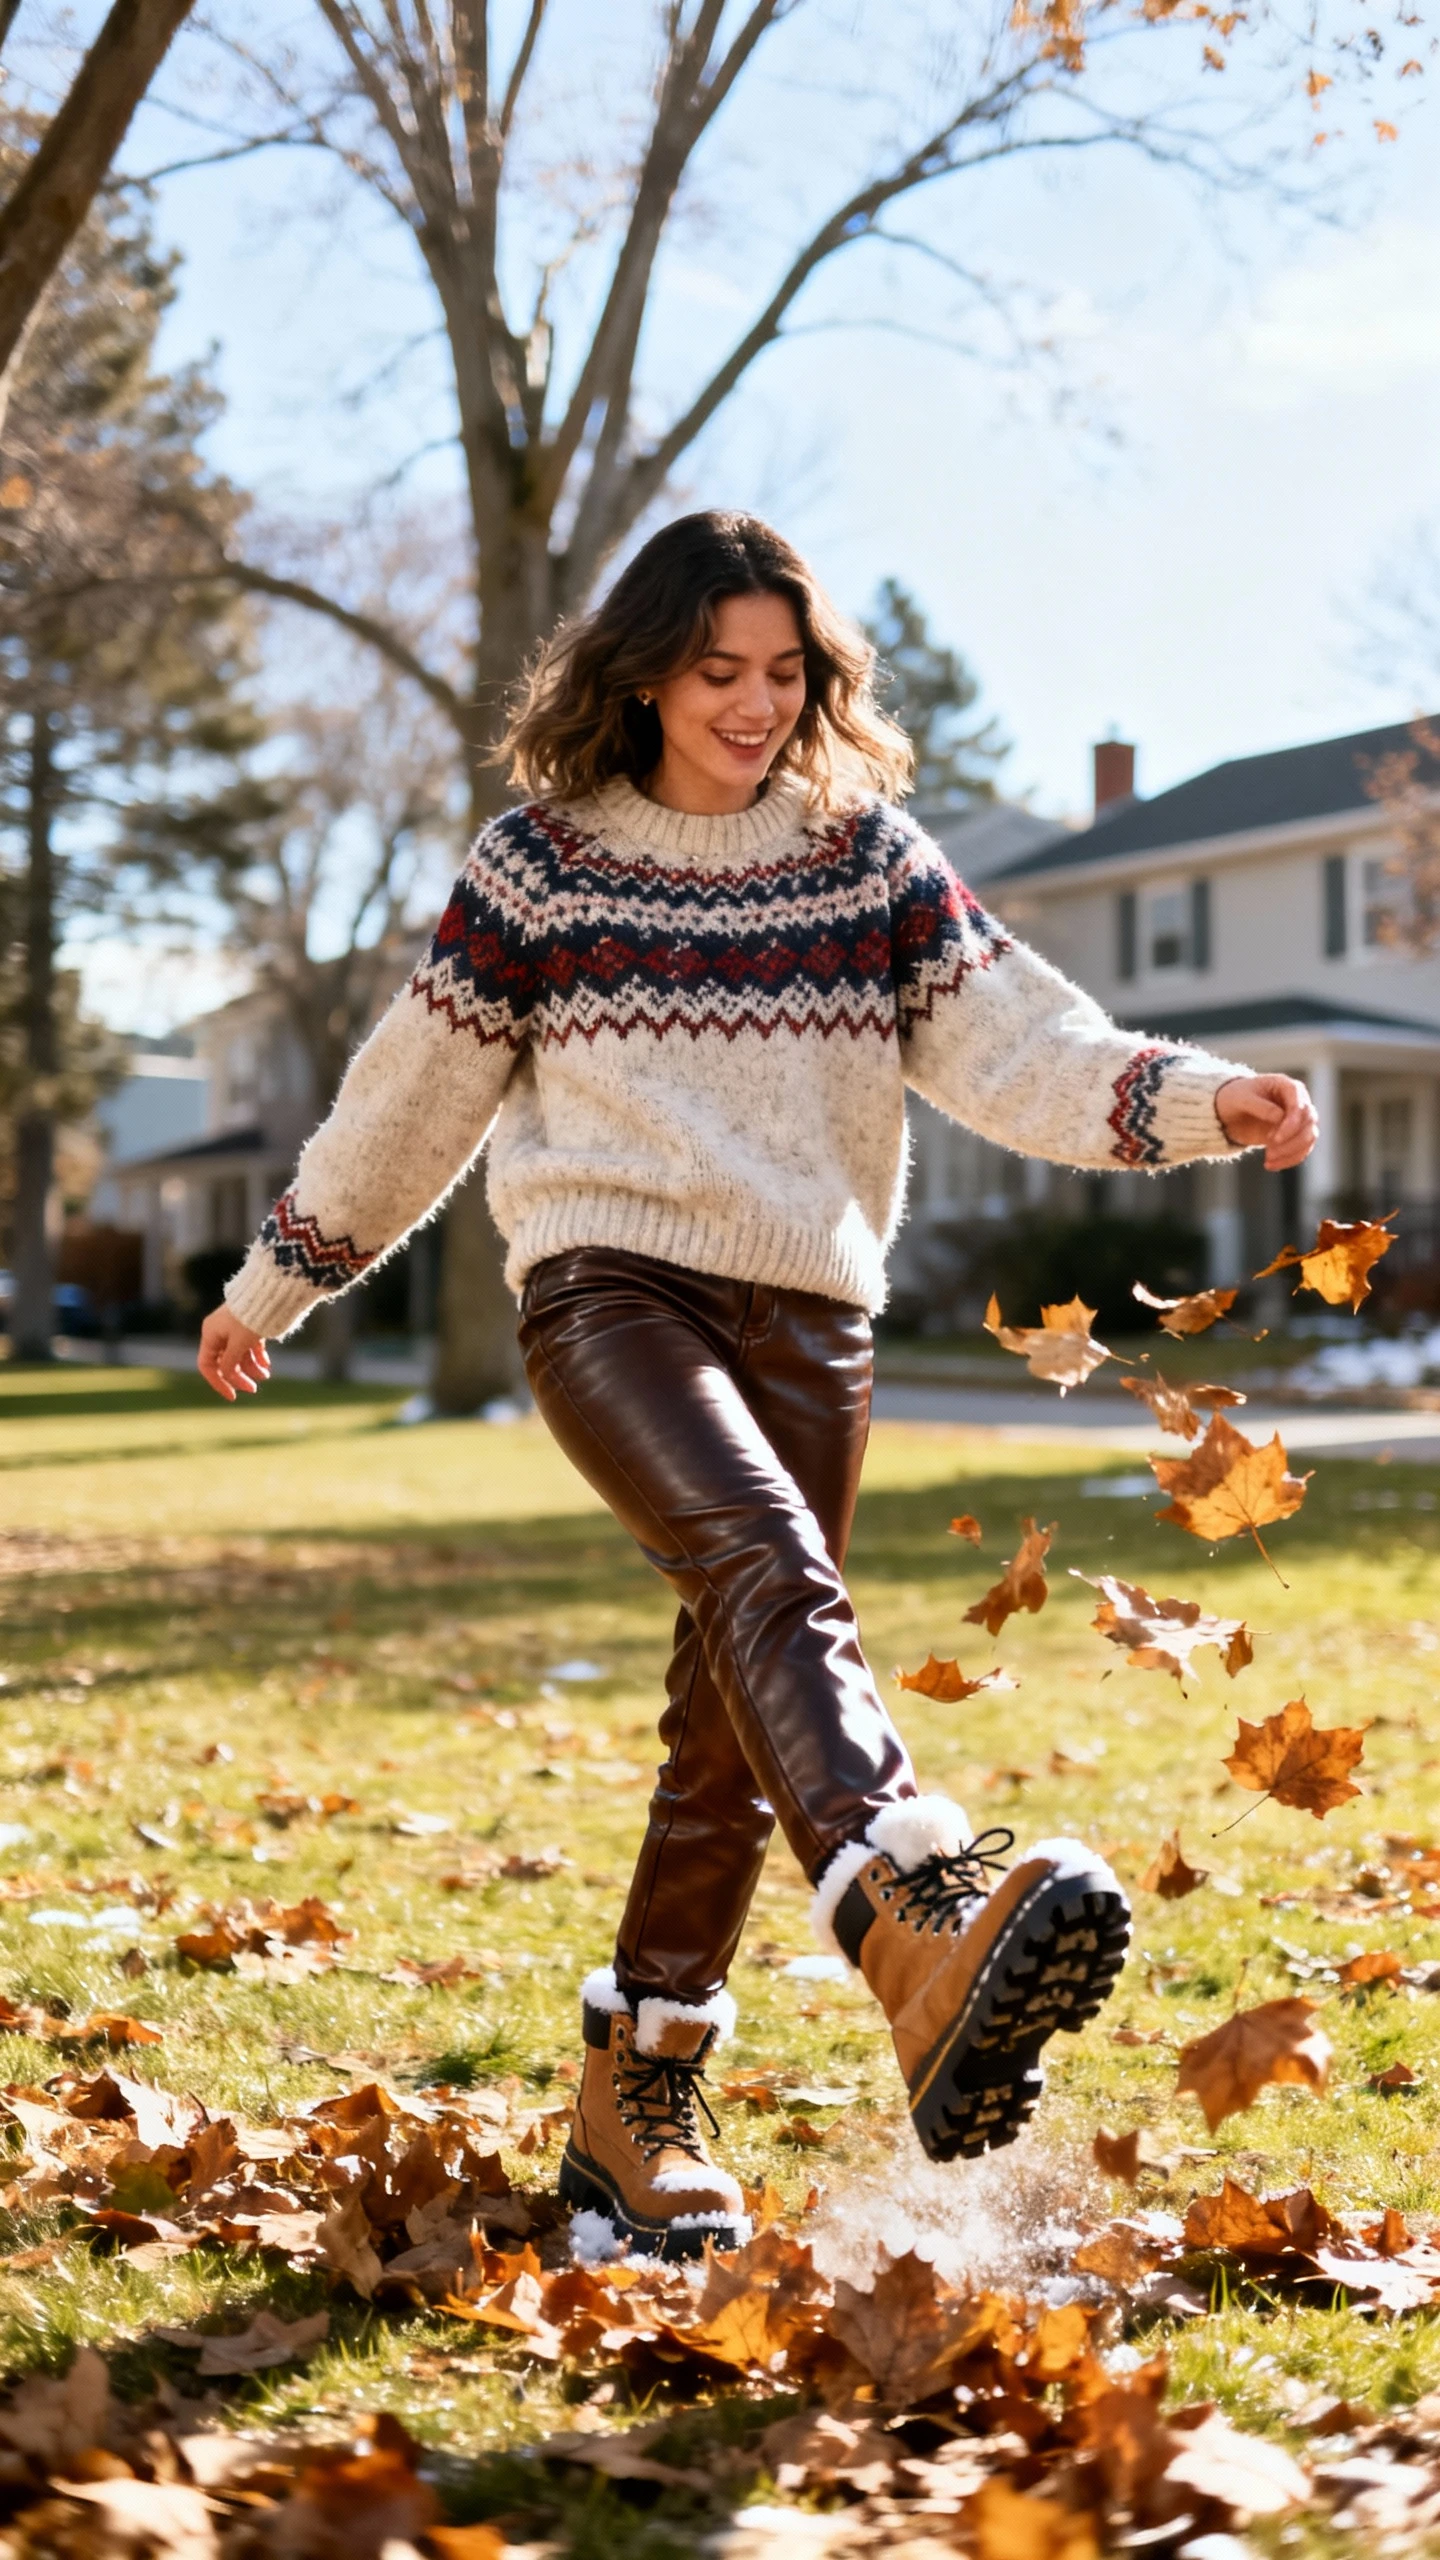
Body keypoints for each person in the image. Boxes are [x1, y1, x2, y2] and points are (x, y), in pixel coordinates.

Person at [198, 511, 1318, 2263]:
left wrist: (1197, 1095)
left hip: (814, 1317)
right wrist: (282, 1274)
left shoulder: (860, 853)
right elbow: (410, 1095)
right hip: (608, 1288)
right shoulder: (542, 862)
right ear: (644, 671)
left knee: (723, 1735)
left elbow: (1018, 1042)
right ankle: (910, 1905)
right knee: (765, 1570)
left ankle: (635, 2100)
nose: (751, 702)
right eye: (719, 669)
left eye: (784, 672)